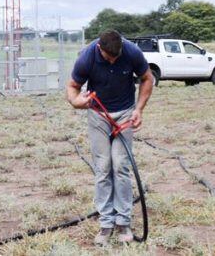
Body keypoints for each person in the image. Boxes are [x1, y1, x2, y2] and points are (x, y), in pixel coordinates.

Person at [66, 29, 154, 246]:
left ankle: (123, 222)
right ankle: (106, 223)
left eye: (117, 57)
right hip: (98, 114)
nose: (113, 61)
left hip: (124, 113)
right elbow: (72, 87)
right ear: (99, 48)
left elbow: (147, 79)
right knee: (103, 167)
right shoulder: (87, 56)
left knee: (121, 166)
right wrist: (77, 102)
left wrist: (139, 109)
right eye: (108, 57)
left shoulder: (132, 52)